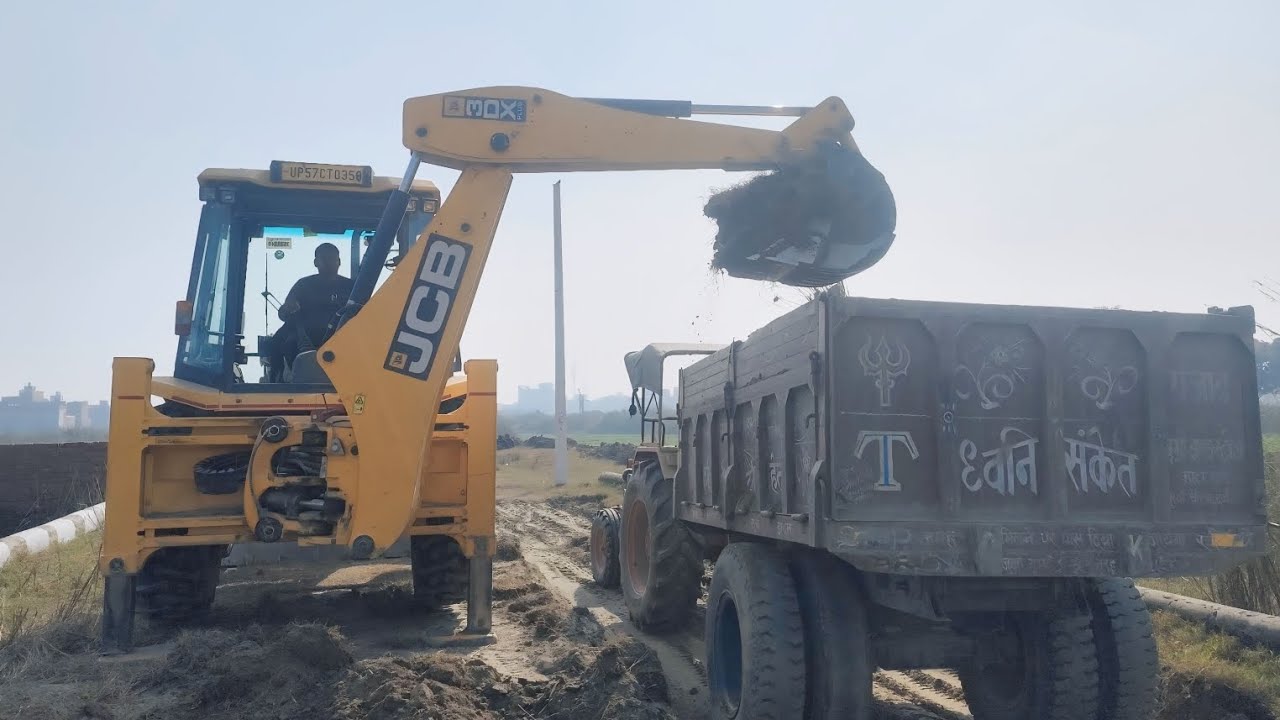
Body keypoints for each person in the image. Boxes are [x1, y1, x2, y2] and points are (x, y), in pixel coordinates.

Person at [267, 243, 354, 381]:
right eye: (324, 259)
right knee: (276, 343)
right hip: (303, 340)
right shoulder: (303, 285)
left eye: (333, 259)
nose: (329, 263)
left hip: (344, 338)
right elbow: (283, 313)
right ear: (316, 262)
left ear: (339, 262)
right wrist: (288, 308)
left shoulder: (351, 287)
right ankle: (275, 384)